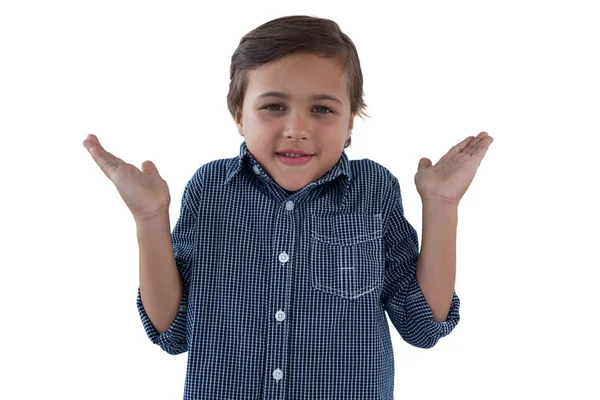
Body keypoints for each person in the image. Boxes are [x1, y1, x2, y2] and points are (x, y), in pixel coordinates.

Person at [82, 14, 493, 400]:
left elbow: (422, 325)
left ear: (351, 121)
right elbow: (172, 331)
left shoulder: (374, 190)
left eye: (322, 109)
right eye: (274, 106)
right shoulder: (209, 189)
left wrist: (442, 205)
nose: (297, 129)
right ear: (239, 115)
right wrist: (149, 218)